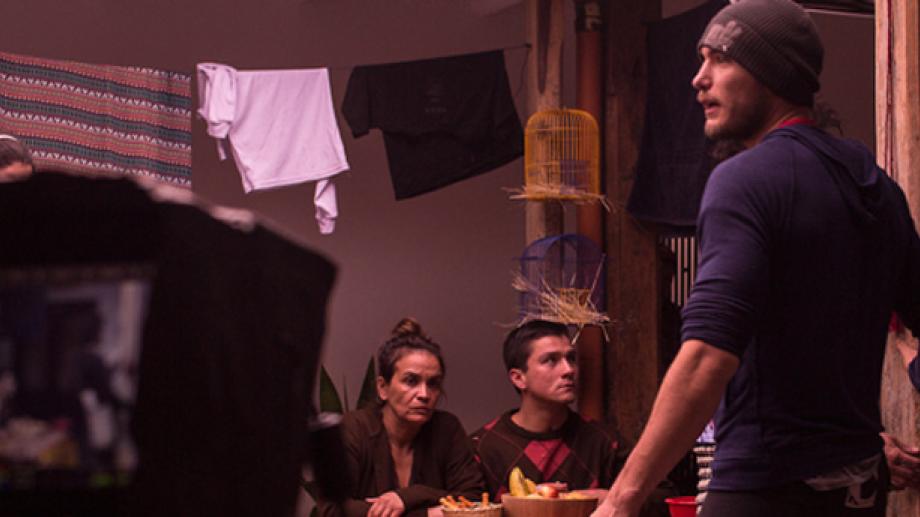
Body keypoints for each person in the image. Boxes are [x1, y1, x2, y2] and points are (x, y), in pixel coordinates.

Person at [591, 1, 920, 516]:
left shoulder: (746, 180)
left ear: (772, 73)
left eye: (720, 59)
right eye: (701, 60)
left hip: (767, 488)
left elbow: (708, 356)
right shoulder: (878, 189)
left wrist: (621, 499)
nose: (699, 79)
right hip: (860, 492)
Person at [469, 320, 671, 515]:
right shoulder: (484, 445)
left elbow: (665, 496)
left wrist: (610, 499)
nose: (569, 370)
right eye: (550, 360)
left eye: (571, 358)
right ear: (518, 378)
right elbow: (464, 508)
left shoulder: (602, 440)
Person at [317, 318, 483, 517]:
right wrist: (429, 514)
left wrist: (410, 496)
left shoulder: (447, 429)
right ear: (383, 388)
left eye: (433, 383)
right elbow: (332, 510)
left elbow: (473, 500)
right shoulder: (355, 428)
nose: (424, 394)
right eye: (411, 381)